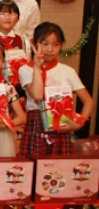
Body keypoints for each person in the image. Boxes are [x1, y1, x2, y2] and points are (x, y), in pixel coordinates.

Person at [19, 23, 94, 156]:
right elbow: (37, 95)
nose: (50, 49)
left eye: (56, 44)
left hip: (61, 124)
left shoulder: (67, 71)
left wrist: (79, 124)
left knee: (59, 166)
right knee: (34, 165)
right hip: (36, 124)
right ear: (33, 44)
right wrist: (37, 67)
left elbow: (88, 101)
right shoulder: (25, 70)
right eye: (45, 43)